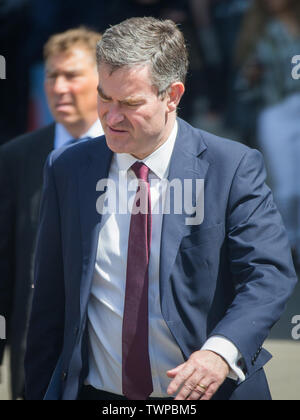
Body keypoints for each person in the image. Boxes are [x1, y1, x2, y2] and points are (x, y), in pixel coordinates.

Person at [25, 17, 297, 401]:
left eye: (130, 103)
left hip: (204, 392)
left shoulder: (231, 167)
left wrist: (220, 353)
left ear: (173, 96)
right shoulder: (67, 168)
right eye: (104, 96)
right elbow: (49, 303)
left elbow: (268, 274)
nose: (111, 117)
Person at [0, 27, 103, 400]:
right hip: (37, 364)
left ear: (103, 79)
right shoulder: (16, 158)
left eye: (72, 75)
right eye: (52, 76)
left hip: (114, 364)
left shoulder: (130, 153)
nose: (59, 87)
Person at [234, 0, 300, 266]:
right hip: (276, 109)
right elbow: (242, 85)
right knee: (287, 188)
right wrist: (251, 74)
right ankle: (292, 245)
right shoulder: (256, 30)